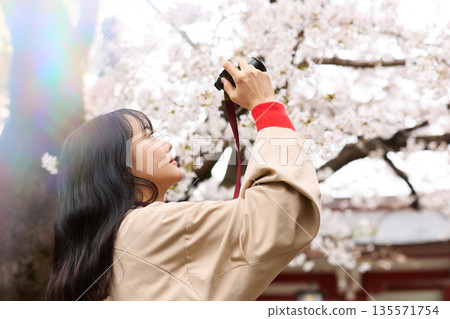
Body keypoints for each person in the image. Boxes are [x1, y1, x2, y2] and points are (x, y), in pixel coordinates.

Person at [45, 58, 321, 301]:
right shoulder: (148, 226)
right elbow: (280, 213)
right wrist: (265, 106)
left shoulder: (112, 241)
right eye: (148, 137)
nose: (166, 145)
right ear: (118, 167)